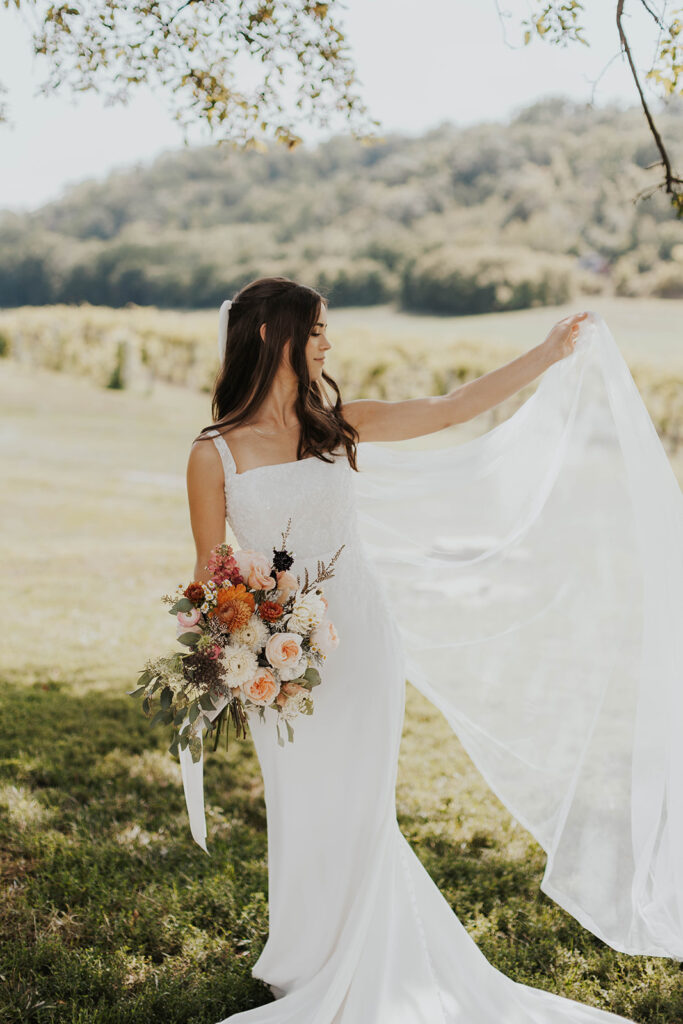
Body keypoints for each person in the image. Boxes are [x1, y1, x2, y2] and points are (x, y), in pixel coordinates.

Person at [183, 276, 680, 1023]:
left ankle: (363, 956)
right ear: (268, 335)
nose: (326, 342)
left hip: (361, 640)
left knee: (358, 804)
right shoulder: (212, 452)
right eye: (315, 329)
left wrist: (544, 354)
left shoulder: (337, 423)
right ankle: (305, 954)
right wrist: (230, 653)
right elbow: (207, 574)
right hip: (272, 667)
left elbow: (451, 410)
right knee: (300, 803)